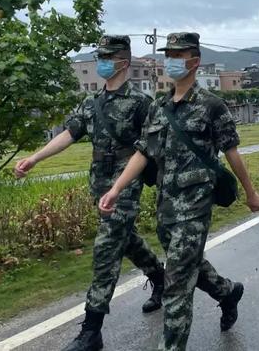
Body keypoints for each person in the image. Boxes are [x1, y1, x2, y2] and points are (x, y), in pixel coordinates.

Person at [98, 32, 259, 351]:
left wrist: (251, 193)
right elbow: (143, 152)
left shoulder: (212, 106)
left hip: (196, 207)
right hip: (166, 208)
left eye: (177, 55)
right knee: (188, 266)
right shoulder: (159, 107)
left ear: (195, 61)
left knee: (175, 286)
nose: (169, 61)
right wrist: (116, 188)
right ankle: (227, 291)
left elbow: (232, 152)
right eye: (167, 55)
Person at [14, 35, 164, 351]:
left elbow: (151, 148)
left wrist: (125, 185)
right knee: (127, 240)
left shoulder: (140, 103)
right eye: (99, 57)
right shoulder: (92, 102)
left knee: (106, 249)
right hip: (99, 185)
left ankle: (91, 330)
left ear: (123, 62)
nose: (101, 63)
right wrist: (35, 158)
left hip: (124, 186)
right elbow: (69, 134)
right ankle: (162, 279)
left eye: (107, 57)